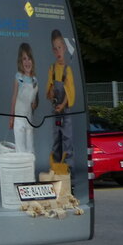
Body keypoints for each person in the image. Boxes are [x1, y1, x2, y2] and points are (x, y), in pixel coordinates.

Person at [47, 29, 76, 174]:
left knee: (67, 138)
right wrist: (51, 94)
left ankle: (68, 166)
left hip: (65, 111)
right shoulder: (52, 69)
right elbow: (49, 90)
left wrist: (62, 106)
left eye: (60, 47)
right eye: (55, 48)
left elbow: (69, 92)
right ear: (53, 51)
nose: (58, 51)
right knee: (56, 139)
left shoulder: (67, 70)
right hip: (55, 111)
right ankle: (56, 166)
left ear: (64, 48)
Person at [8, 42, 38, 155]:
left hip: (29, 120)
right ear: (20, 62)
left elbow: (33, 102)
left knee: (30, 149)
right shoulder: (18, 77)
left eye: (29, 59)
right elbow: (14, 97)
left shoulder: (35, 80)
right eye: (24, 59)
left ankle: (30, 170)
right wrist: (11, 118)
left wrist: (34, 104)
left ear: (32, 61)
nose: (27, 62)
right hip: (19, 119)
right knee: (20, 148)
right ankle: (22, 170)